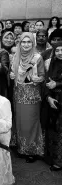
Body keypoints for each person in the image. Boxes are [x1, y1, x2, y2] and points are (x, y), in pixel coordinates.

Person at [10, 32, 45, 163]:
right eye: (23, 42)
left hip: (32, 95)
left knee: (30, 122)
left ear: (33, 43)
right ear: (19, 43)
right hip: (18, 93)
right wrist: (12, 75)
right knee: (19, 120)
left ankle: (31, 150)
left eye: (28, 42)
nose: (26, 44)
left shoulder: (38, 58)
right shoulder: (15, 57)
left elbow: (42, 76)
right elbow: (12, 72)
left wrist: (39, 78)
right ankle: (20, 146)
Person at [43, 43, 62, 171]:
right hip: (53, 100)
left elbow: (54, 83)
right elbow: (47, 82)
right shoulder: (52, 64)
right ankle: (52, 158)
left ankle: (59, 161)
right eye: (57, 51)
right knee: (52, 129)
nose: (60, 53)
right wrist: (48, 98)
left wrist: (57, 84)